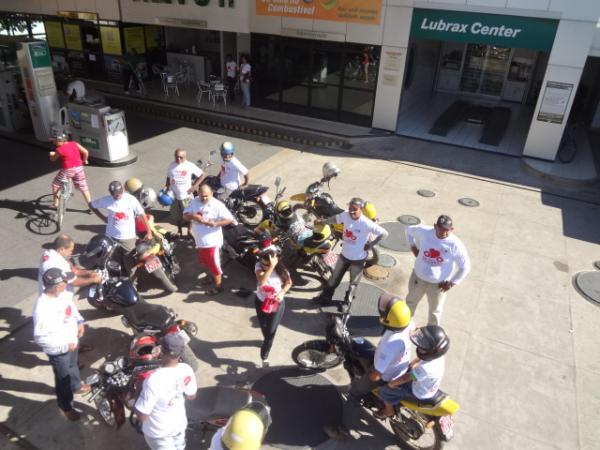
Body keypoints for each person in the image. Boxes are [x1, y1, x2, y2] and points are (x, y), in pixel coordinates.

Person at [33, 268, 91, 422]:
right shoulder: (43, 307)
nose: (68, 283)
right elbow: (40, 337)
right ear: (57, 286)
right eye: (66, 281)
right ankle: (66, 407)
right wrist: (64, 347)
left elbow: (71, 308)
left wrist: (79, 321)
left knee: (73, 367)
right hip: (60, 351)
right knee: (63, 380)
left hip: (72, 342)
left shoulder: (64, 294)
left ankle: (76, 386)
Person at [315, 197, 388, 306]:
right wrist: (323, 221)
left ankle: (346, 304)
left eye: (355, 209)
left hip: (358, 260)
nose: (352, 211)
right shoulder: (345, 215)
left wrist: (370, 244)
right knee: (333, 279)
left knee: (353, 284)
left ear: (361, 209)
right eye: (350, 208)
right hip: (344, 257)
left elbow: (384, 234)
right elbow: (335, 219)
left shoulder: (366, 223)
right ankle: (325, 298)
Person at [134, 333, 198, 450]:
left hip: (159, 434)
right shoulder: (186, 369)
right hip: (179, 426)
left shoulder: (153, 380)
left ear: (161, 352)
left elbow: (142, 416)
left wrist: (135, 400)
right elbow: (191, 396)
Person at [405, 215, 471, 326]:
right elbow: (408, 230)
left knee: (435, 311)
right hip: (418, 279)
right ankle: (404, 325)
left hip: (438, 285)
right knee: (410, 302)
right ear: (435, 226)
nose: (443, 232)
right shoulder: (424, 231)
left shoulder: (455, 244)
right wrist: (413, 248)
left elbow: (465, 266)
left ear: (452, 229)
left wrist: (452, 283)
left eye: (447, 230)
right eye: (440, 228)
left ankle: (432, 332)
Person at [349, 293, 414, 400]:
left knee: (356, 390)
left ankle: (353, 399)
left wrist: (369, 377)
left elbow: (376, 375)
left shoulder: (389, 345)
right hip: (400, 368)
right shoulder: (410, 323)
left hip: (387, 376)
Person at [376, 325, 450, 418]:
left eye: (422, 347)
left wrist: (392, 384)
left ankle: (388, 411)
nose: (419, 347)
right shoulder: (437, 357)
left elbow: (406, 378)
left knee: (385, 391)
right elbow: (421, 359)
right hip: (427, 385)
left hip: (418, 392)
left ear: (431, 352)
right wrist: (411, 365)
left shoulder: (426, 368)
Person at [90, 181, 152, 276]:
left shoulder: (131, 199)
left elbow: (142, 215)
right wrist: (103, 218)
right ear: (111, 193)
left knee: (130, 262)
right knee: (114, 261)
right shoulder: (106, 200)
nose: (118, 195)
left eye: (120, 192)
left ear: (123, 190)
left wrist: (149, 232)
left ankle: (132, 282)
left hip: (128, 238)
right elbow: (92, 205)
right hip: (111, 237)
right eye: (115, 194)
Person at [183, 185, 235, 294]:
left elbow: (230, 219)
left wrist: (215, 223)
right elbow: (185, 216)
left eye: (207, 196)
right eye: (202, 196)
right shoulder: (194, 201)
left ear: (211, 194)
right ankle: (211, 277)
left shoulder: (217, 205)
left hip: (212, 243)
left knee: (214, 265)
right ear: (198, 194)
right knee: (207, 263)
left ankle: (219, 287)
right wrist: (193, 216)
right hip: (200, 242)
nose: (204, 198)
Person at [254, 245, 292, 367]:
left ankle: (264, 356)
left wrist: (281, 293)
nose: (264, 265)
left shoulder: (283, 270)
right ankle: (267, 341)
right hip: (261, 302)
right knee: (264, 329)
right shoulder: (258, 267)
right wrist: (271, 266)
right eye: (263, 263)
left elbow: (289, 283)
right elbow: (262, 281)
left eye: (267, 263)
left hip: (277, 304)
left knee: (270, 333)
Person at [165, 149, 205, 237]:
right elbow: (168, 177)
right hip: (174, 197)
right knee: (178, 216)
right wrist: (167, 186)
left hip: (186, 197)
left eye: (181, 157)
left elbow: (202, 175)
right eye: (177, 157)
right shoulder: (171, 165)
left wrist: (195, 186)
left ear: (185, 157)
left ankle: (190, 230)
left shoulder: (189, 165)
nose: (178, 159)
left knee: (190, 215)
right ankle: (179, 230)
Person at [49, 131, 92, 211]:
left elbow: (53, 159)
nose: (53, 143)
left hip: (68, 170)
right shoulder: (74, 143)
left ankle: (56, 203)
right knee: (83, 187)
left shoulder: (59, 149)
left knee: (55, 184)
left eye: (54, 141)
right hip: (79, 168)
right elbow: (85, 152)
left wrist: (51, 155)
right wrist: (85, 160)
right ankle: (91, 206)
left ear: (60, 141)